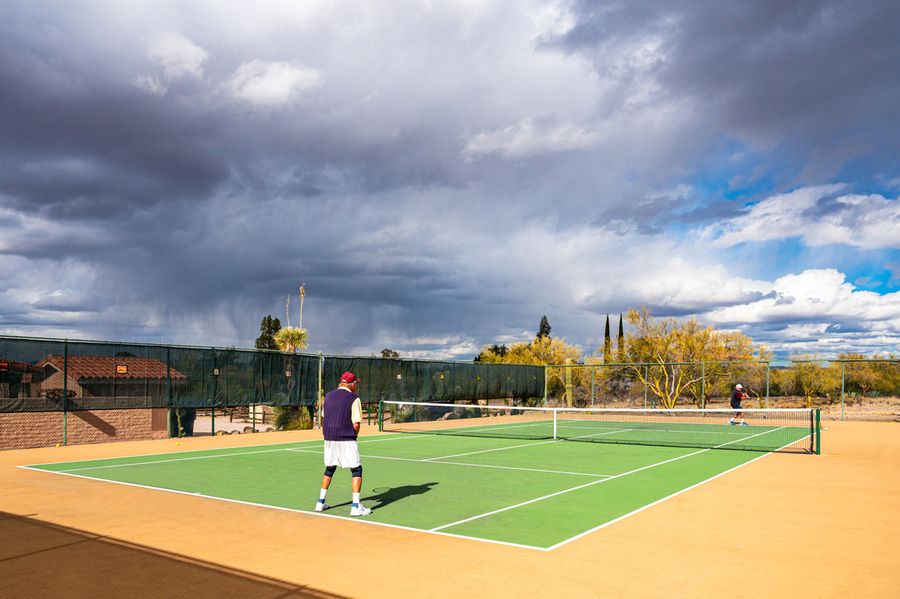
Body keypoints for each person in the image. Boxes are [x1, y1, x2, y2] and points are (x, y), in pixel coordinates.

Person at [315, 371, 371, 516]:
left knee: (330, 468)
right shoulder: (354, 398)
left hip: (329, 438)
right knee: (356, 470)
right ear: (351, 384)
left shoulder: (328, 396)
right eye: (356, 384)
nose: (356, 387)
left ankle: (320, 503)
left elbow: (323, 417)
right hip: (346, 438)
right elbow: (356, 424)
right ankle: (355, 506)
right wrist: (353, 435)